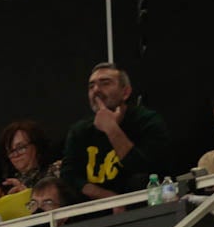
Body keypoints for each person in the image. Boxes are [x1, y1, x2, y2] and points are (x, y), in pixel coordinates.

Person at [62, 62, 171, 198]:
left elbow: (148, 171)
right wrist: (107, 197)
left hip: (143, 205)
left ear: (125, 92)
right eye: (91, 86)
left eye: (105, 83)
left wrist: (112, 130)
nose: (96, 90)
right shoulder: (80, 131)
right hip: (98, 209)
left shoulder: (147, 121)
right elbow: (68, 176)